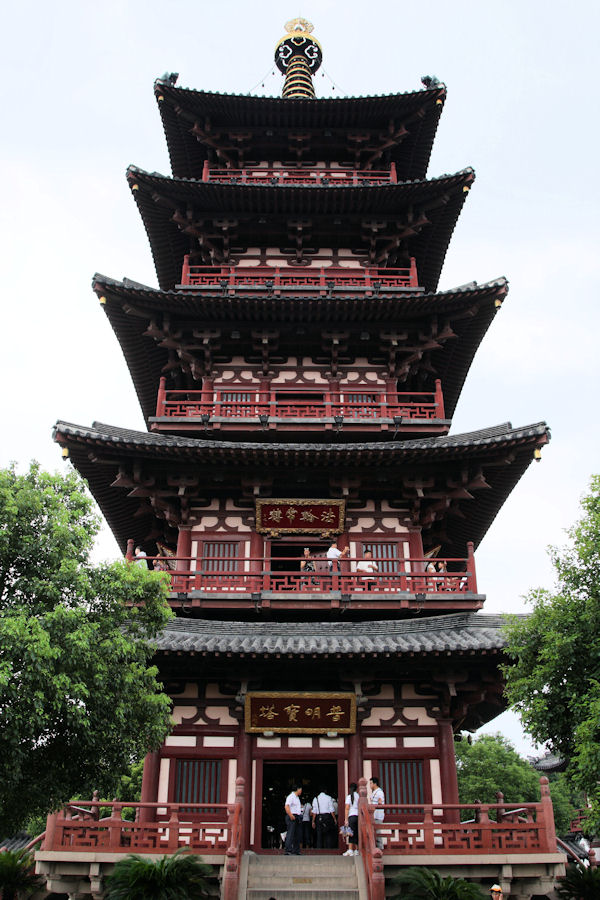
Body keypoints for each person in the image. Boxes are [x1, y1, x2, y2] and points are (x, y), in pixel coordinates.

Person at [283, 784, 303, 855]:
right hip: (292, 816)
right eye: (301, 789)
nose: (301, 791)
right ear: (297, 789)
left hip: (297, 816)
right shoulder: (291, 797)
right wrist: (291, 815)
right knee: (290, 833)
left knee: (297, 834)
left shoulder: (297, 798)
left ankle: (296, 850)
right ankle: (288, 850)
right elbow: (286, 806)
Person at [343, 781, 359, 856]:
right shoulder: (359, 796)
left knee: (351, 833)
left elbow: (347, 808)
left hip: (351, 816)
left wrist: (346, 819)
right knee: (356, 833)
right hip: (358, 816)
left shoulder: (349, 797)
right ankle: (356, 850)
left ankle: (350, 849)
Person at [369, 776, 385, 850]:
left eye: (371, 783)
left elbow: (380, 802)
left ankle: (380, 847)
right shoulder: (374, 792)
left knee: (377, 831)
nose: (370, 785)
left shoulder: (379, 792)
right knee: (373, 831)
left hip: (378, 815)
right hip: (373, 815)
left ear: (375, 783)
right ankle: (375, 847)